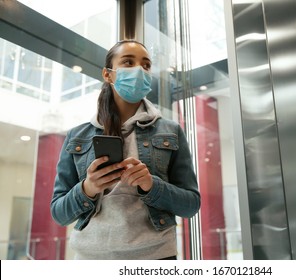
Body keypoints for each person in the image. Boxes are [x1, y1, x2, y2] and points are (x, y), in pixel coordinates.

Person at [50, 39, 200, 260]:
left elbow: (190, 205)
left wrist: (151, 185)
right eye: (128, 62)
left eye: (146, 65)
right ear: (107, 74)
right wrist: (88, 188)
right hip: (90, 259)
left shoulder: (171, 131)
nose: (139, 70)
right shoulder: (77, 136)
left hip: (156, 257)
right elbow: (59, 213)